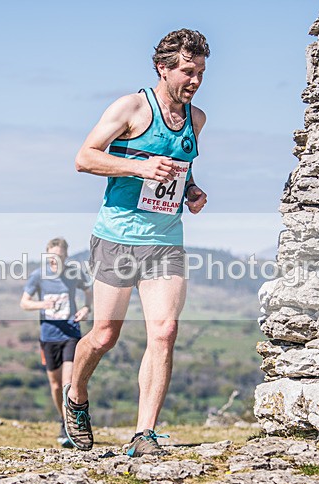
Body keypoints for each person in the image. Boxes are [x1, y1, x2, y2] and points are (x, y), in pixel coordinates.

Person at [63, 29, 209, 457]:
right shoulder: (131, 107)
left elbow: (180, 169)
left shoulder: (196, 120)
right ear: (162, 68)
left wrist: (191, 191)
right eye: (187, 71)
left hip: (165, 241)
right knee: (105, 336)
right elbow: (85, 157)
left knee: (164, 330)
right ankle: (77, 392)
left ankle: (144, 434)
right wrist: (138, 169)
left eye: (200, 72)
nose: (195, 81)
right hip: (118, 237)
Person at [20, 237, 92, 448]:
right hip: (48, 336)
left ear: (65, 257)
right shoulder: (38, 276)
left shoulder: (74, 273)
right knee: (55, 385)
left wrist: (87, 308)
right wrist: (43, 304)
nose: (55, 261)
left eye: (59, 257)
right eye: (51, 257)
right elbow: (24, 303)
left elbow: (88, 290)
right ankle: (64, 419)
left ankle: (69, 427)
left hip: (71, 333)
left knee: (68, 382)